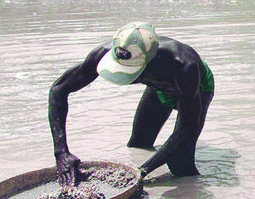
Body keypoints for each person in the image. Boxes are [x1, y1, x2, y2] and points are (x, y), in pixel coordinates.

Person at [49, 22, 214, 184]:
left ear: (150, 60)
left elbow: (187, 127)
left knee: (180, 165)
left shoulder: (184, 65)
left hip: (196, 88)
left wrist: (142, 172)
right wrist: (61, 152)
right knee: (138, 145)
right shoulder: (104, 53)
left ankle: (196, 193)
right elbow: (58, 90)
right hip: (158, 88)